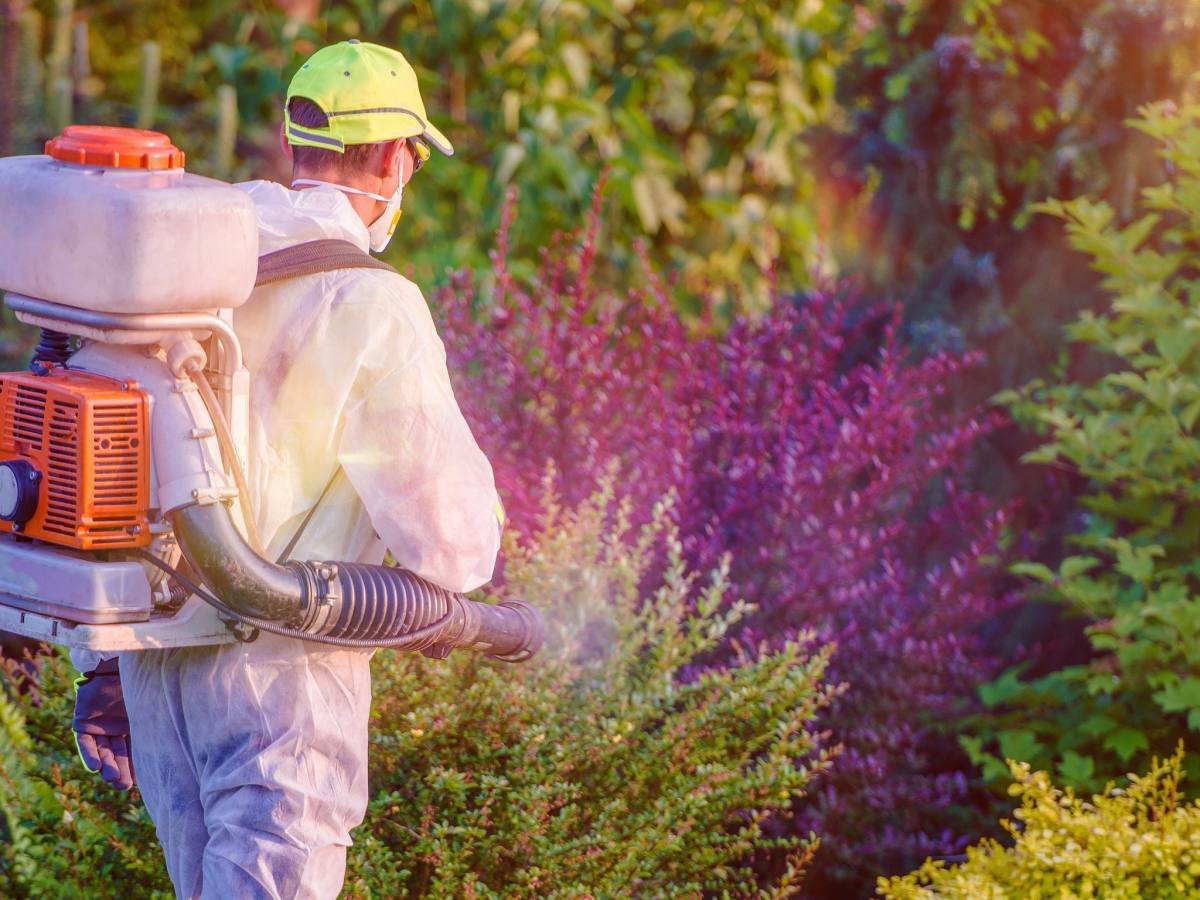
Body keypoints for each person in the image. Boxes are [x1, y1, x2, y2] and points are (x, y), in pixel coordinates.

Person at [70, 40, 503, 899]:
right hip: (280, 681)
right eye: (410, 157)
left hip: (153, 663)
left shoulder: (189, 256)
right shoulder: (372, 303)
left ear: (295, 139)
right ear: (391, 158)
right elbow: (452, 549)